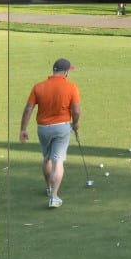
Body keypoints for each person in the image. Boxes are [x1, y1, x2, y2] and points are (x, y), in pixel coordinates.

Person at [19, 57, 82, 208]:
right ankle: (54, 196)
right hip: (62, 127)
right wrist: (76, 123)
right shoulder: (71, 87)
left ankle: (49, 188)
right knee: (58, 161)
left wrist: (23, 129)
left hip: (43, 128)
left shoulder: (38, 86)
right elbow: (76, 110)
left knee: (47, 159)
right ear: (66, 72)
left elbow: (28, 109)